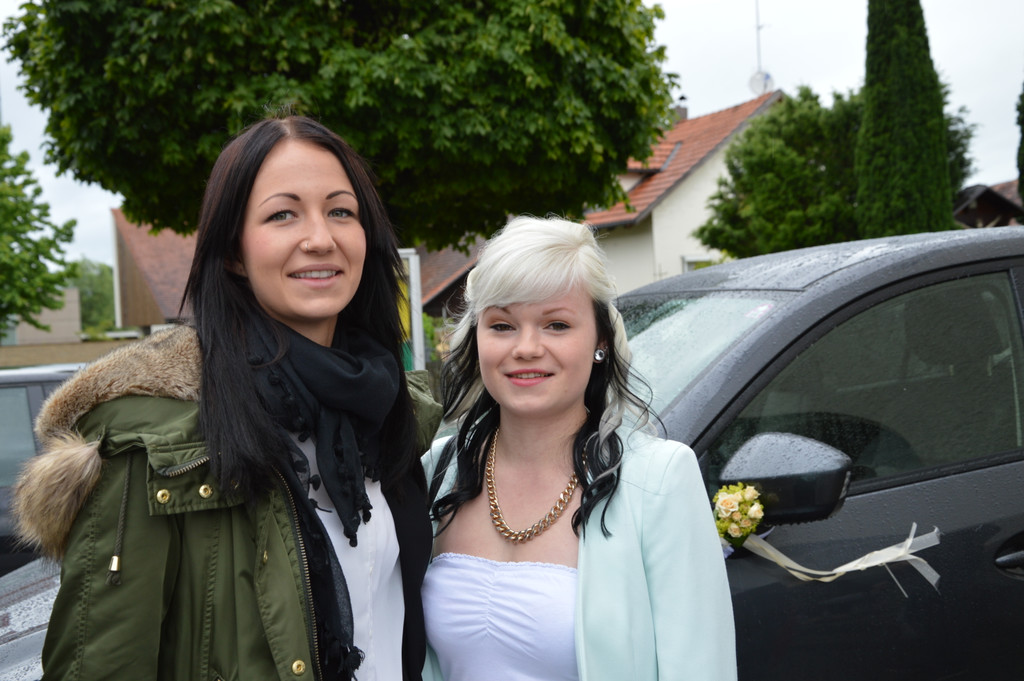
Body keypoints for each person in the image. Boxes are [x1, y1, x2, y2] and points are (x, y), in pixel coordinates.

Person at [13, 114, 442, 681]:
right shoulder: (153, 447)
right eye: (282, 214)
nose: (321, 238)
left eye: (342, 211)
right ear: (234, 251)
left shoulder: (391, 414)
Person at [420, 216, 736, 681]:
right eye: (502, 325)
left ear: (600, 341)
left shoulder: (659, 480)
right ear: (476, 338)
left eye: (556, 324)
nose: (527, 348)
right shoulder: (436, 470)